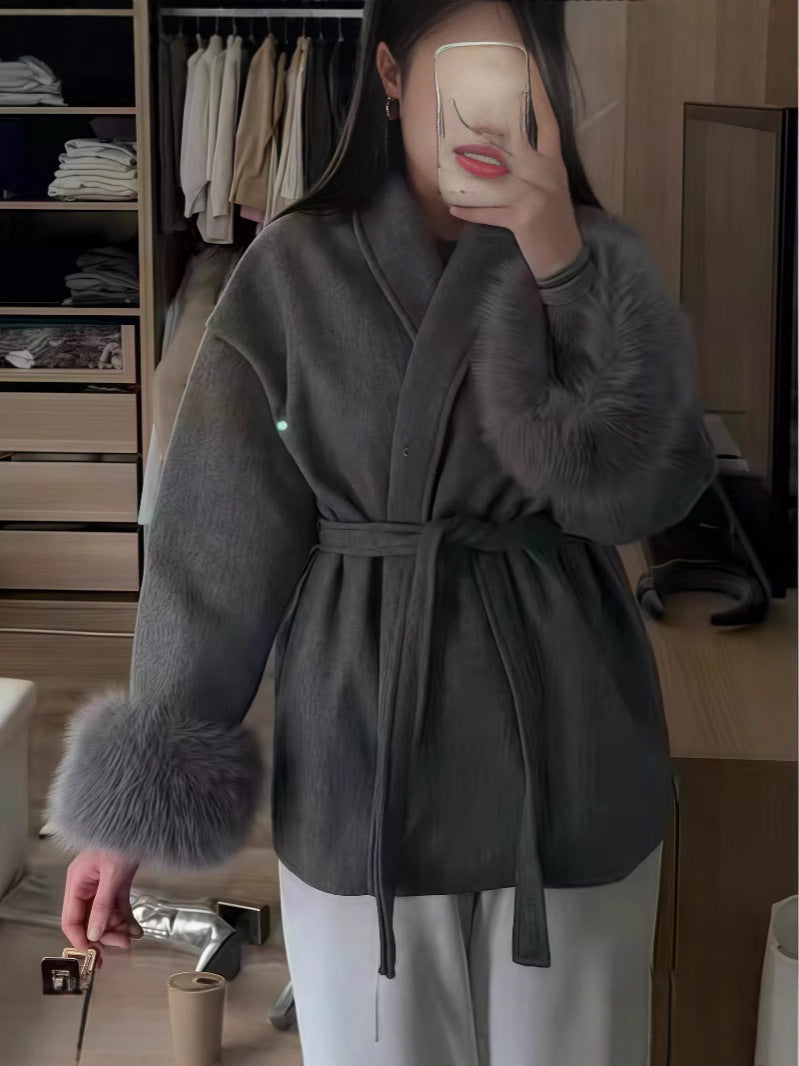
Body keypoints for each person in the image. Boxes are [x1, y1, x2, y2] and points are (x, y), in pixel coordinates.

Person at [47, 2, 717, 1063]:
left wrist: (557, 256)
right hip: (365, 752)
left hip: (568, 745)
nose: (484, 104)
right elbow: (213, 556)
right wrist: (130, 816)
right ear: (394, 75)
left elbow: (650, 500)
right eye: (460, 69)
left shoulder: (592, 261)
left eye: (515, 71)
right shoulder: (291, 271)